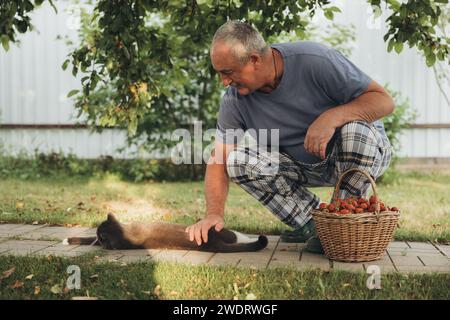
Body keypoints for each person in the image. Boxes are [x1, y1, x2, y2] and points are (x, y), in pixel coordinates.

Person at [185, 20, 394, 253]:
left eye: (228, 72)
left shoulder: (316, 60)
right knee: (237, 161)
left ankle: (340, 226)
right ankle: (313, 224)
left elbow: (383, 100)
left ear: (254, 60)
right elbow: (219, 159)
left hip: (359, 153)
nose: (224, 82)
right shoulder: (234, 100)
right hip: (301, 165)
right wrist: (213, 214)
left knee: (356, 131)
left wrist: (331, 117)